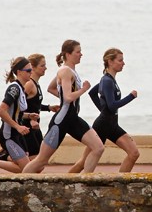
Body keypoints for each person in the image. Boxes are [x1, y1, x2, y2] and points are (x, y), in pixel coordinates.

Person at [23, 40, 105, 174]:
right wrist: (84, 89)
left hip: (73, 118)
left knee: (98, 148)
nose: (81, 54)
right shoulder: (65, 71)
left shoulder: (69, 71)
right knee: (41, 160)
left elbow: (51, 88)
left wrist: (65, 97)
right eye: (78, 52)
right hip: (62, 121)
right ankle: (21, 182)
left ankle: (85, 182)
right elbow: (67, 97)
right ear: (68, 54)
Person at [71, 48, 139, 173]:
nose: (123, 63)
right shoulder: (107, 81)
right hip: (103, 125)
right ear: (110, 62)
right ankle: (65, 181)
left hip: (112, 124)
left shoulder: (109, 80)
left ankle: (119, 182)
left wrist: (103, 110)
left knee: (134, 153)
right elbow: (112, 106)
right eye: (120, 60)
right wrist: (131, 96)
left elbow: (93, 93)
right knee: (83, 162)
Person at [0, 57, 35, 172]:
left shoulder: (22, 88)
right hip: (8, 135)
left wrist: (28, 115)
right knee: (26, 169)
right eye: (28, 70)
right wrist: (17, 126)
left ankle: (0, 158)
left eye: (31, 70)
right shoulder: (14, 88)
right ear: (19, 72)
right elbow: (2, 110)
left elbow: (15, 113)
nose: (31, 73)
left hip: (18, 135)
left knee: (26, 168)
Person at [22, 53, 50, 159]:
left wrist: (49, 108)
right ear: (32, 68)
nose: (45, 68)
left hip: (35, 125)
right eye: (42, 65)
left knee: (40, 157)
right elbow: (18, 105)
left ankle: (1, 157)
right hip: (26, 125)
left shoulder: (36, 83)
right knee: (34, 158)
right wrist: (30, 119)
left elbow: (34, 104)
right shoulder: (29, 84)